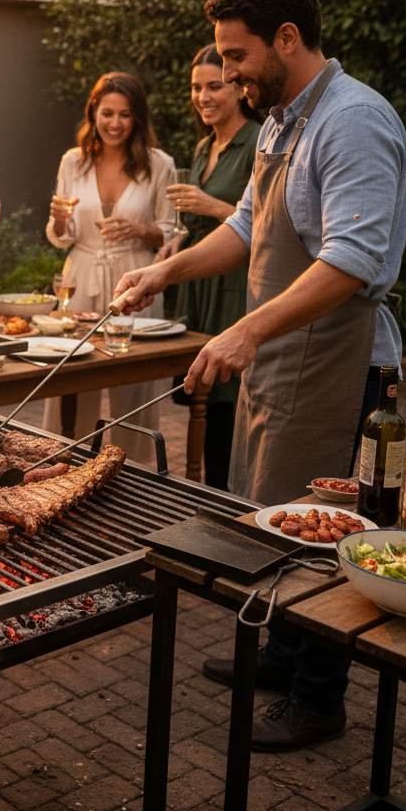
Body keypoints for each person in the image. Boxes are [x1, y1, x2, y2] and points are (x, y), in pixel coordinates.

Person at [114, 0, 406, 751]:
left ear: (287, 38)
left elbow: (352, 259)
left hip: (341, 364)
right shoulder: (281, 122)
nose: (229, 71)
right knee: (271, 511)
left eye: (238, 56)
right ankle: (283, 651)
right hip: (281, 356)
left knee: (322, 534)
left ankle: (319, 697)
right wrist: (166, 272)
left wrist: (246, 332)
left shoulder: (353, 121)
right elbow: (247, 226)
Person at [43, 72, 174, 467]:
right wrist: (59, 220)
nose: (115, 123)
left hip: (135, 279)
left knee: (133, 386)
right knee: (73, 376)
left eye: (125, 114)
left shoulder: (159, 164)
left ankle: (133, 474)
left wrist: (139, 230)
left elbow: (170, 232)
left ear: (138, 118)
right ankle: (63, 467)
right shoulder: (73, 160)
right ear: (93, 113)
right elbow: (61, 236)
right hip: (81, 275)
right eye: (107, 113)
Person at [156, 44, 263, 490]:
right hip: (198, 290)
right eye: (196, 87)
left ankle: (227, 498)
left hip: (234, 287)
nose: (203, 96)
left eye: (214, 86)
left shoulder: (258, 141)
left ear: (237, 88)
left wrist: (212, 205)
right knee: (199, 402)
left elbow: (264, 224)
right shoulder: (204, 147)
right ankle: (200, 495)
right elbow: (197, 223)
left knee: (226, 405)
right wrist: (176, 241)